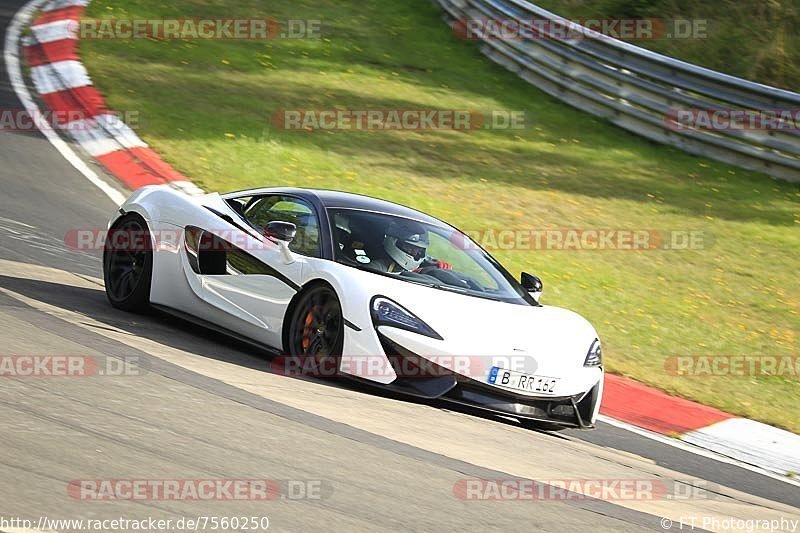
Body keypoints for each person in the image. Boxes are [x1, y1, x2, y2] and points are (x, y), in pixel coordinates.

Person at [370, 219, 451, 273]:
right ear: (394, 242)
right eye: (410, 246)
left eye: (419, 249)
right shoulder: (376, 268)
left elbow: (428, 259)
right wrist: (415, 274)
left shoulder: (424, 261)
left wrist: (438, 264)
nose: (415, 251)